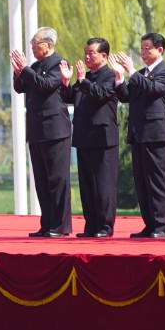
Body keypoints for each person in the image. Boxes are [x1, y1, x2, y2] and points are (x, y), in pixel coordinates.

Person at [112, 33, 165, 238]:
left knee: (157, 180)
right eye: (142, 48)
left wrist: (131, 71)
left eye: (147, 48)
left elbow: (153, 90)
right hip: (138, 132)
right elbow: (127, 97)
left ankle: (161, 226)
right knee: (142, 181)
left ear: (160, 50)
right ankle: (149, 224)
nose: (143, 51)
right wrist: (119, 77)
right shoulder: (139, 73)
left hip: (156, 133)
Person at [12, 27, 73, 238]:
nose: (32, 48)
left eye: (35, 44)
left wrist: (26, 70)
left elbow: (46, 85)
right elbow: (21, 88)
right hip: (37, 128)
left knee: (57, 179)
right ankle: (46, 224)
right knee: (41, 180)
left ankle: (60, 226)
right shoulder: (36, 65)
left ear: (48, 44)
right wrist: (18, 71)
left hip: (55, 129)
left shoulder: (59, 63)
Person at [60, 37, 119, 237]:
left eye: (91, 53)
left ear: (104, 55)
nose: (86, 56)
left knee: (103, 184)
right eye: (85, 52)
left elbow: (100, 95)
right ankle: (91, 225)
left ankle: (105, 226)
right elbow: (69, 97)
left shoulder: (110, 75)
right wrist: (67, 82)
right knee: (87, 184)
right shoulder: (85, 77)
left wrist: (83, 80)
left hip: (103, 137)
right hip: (84, 135)